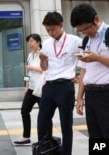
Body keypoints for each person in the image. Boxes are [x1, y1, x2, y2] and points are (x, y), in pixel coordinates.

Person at [37, 12, 81, 155]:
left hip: (65, 86)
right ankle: (45, 150)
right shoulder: (47, 43)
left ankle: (66, 153)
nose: (50, 33)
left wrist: (79, 76)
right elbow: (44, 68)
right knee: (42, 121)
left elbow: (84, 61)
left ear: (61, 25)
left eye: (52, 29)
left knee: (66, 124)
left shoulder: (75, 41)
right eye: (47, 30)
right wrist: (43, 60)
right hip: (49, 85)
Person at [71, 4, 109, 138]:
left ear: (96, 19)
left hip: (106, 93)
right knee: (95, 136)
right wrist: (80, 97)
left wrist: (97, 58)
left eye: (87, 28)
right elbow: (83, 71)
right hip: (91, 95)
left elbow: (96, 60)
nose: (85, 32)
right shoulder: (86, 40)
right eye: (81, 30)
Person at [13, 34, 43, 145]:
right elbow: (27, 73)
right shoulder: (30, 55)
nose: (30, 43)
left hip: (40, 89)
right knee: (24, 110)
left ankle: (44, 138)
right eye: (28, 42)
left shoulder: (43, 55)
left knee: (44, 114)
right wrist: (26, 86)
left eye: (32, 41)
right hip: (31, 89)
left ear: (38, 42)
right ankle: (26, 136)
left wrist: (32, 68)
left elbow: (44, 70)